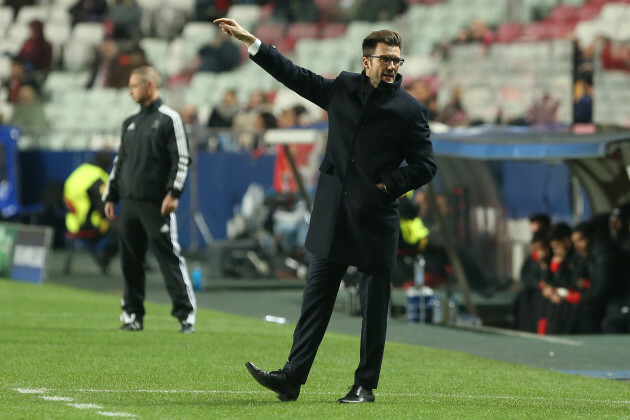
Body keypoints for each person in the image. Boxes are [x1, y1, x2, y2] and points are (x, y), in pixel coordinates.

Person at [214, 18, 436, 403]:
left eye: (398, 61)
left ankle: (364, 385)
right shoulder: (343, 88)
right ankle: (291, 378)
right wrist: (253, 43)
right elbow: (294, 75)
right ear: (367, 61)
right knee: (315, 302)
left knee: (374, 310)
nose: (393, 67)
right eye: (386, 59)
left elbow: (426, 165)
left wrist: (388, 185)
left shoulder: (410, 110)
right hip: (333, 214)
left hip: (374, 218)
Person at [103, 66, 197, 334]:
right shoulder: (129, 123)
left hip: (157, 203)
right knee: (130, 261)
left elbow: (182, 159)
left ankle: (185, 315)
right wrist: (111, 194)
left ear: (149, 85)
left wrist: (173, 193)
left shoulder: (170, 119)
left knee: (168, 257)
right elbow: (120, 162)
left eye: (134, 86)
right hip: (130, 202)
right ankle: (132, 314)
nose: (130, 91)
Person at [63, 152, 118, 274]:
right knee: (124, 229)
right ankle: (106, 257)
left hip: (72, 221)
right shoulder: (98, 178)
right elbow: (104, 208)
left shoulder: (80, 171)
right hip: (89, 223)